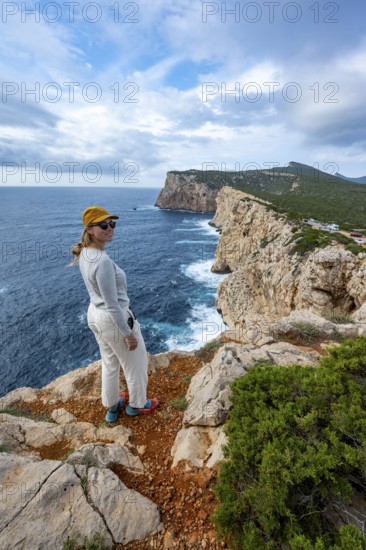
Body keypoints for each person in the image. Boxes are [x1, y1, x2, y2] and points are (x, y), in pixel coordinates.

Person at [70, 205, 158, 422]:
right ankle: (137, 405)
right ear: (90, 229)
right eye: (103, 225)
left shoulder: (85, 253)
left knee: (109, 363)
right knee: (135, 364)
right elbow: (112, 305)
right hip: (112, 317)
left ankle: (112, 405)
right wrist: (128, 333)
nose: (110, 228)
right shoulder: (102, 261)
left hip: (94, 315)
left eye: (112, 223)